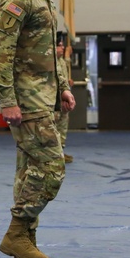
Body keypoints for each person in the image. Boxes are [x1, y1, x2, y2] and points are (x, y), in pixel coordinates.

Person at [0, 0, 76, 258]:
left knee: (29, 172)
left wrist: (63, 88)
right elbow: (0, 52)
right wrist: (7, 101)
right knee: (53, 168)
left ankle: (25, 252)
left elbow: (48, 54)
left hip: (43, 98)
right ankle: (16, 234)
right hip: (27, 102)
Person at [55, 30, 74, 164]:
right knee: (54, 126)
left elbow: (63, 75)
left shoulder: (60, 60)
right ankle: (54, 153)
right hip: (55, 99)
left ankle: (60, 151)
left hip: (63, 96)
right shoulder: (50, 62)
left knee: (63, 125)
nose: (62, 47)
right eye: (59, 45)